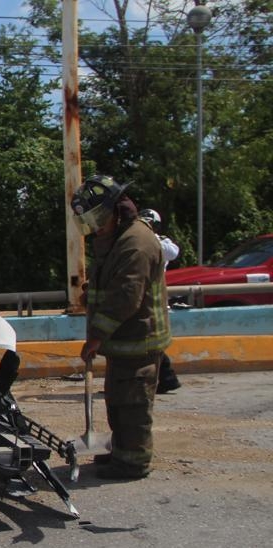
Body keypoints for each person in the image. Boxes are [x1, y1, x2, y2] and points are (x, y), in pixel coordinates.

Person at [71, 175, 171, 479]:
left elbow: (126, 297)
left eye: (98, 218)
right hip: (123, 341)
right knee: (118, 400)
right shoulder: (116, 237)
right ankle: (120, 449)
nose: (96, 226)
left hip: (138, 340)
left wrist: (96, 336)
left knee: (133, 405)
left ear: (116, 209)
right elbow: (110, 283)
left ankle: (133, 462)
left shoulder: (136, 243)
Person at [139, 208, 182, 393]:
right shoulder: (137, 241)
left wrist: (152, 238)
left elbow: (173, 253)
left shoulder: (160, 243)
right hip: (141, 297)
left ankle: (167, 378)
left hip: (153, 300)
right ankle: (164, 379)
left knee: (151, 343)